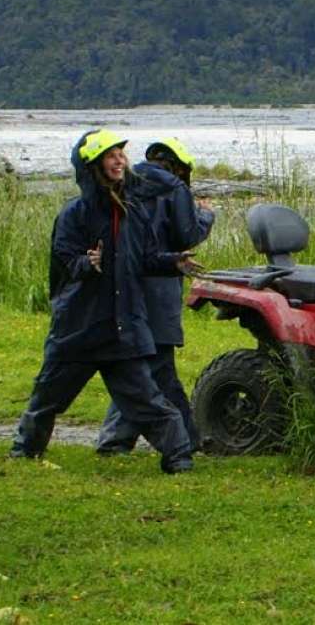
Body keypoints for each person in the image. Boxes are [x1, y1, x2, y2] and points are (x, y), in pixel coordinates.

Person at [9, 130, 201, 473]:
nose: (120, 161)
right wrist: (87, 264)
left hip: (120, 328)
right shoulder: (74, 214)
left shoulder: (132, 210)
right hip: (78, 328)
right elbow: (64, 262)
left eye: (121, 155)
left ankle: (179, 459)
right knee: (47, 398)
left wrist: (172, 262)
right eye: (111, 156)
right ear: (93, 166)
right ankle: (24, 453)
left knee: (147, 400)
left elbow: (143, 258)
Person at [96, 137, 214, 455]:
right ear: (178, 166)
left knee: (141, 366)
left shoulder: (127, 185)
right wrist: (205, 215)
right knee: (158, 367)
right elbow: (186, 234)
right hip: (159, 287)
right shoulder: (173, 189)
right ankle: (185, 440)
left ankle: (117, 440)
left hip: (126, 287)